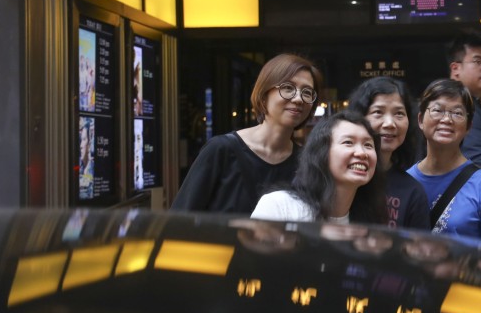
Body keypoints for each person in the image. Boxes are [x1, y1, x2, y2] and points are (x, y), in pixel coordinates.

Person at [171, 53, 320, 214]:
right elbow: (180, 218)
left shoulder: (306, 163)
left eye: (307, 92)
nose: (299, 99)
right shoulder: (221, 150)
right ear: (264, 96)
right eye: (288, 88)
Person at [407, 79, 481, 244]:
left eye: (457, 113)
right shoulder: (405, 182)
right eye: (437, 110)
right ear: (421, 119)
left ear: (469, 126)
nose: (446, 119)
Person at [251, 110, 387, 224]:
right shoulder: (280, 206)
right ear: (321, 153)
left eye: (368, 145)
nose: (362, 153)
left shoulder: (371, 220)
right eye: (348, 142)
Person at [347, 78, 430, 229]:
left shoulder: (412, 191)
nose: (390, 123)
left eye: (399, 113)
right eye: (378, 112)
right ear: (358, 117)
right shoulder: (341, 178)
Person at [447, 30, 481, 170]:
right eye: (478, 61)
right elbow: (479, 163)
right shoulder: (456, 105)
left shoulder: (470, 103)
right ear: (456, 69)